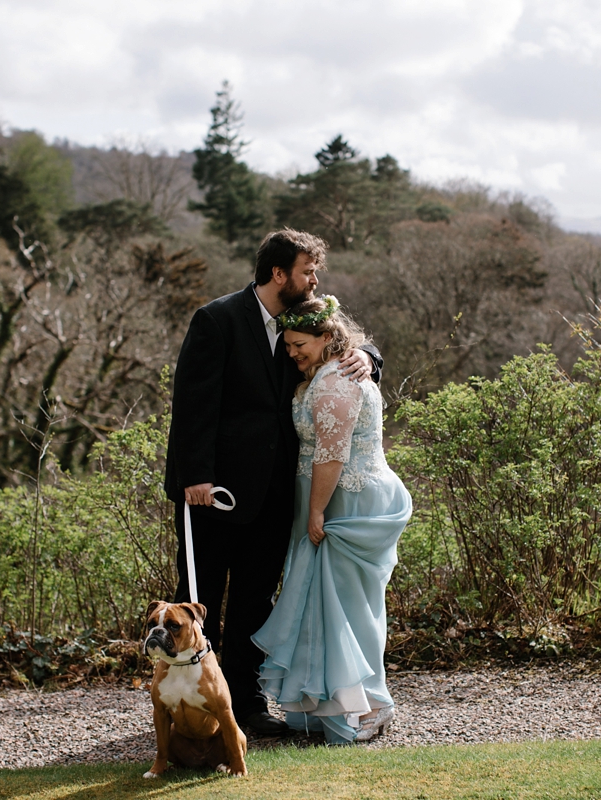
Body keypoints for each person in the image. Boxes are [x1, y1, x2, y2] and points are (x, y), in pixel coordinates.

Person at [163, 229, 382, 736]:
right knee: (198, 600)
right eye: (308, 271)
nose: (314, 281)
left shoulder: (301, 320)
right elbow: (193, 404)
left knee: (255, 601)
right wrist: (196, 476)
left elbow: (348, 338)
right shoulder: (216, 319)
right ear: (279, 273)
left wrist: (368, 357)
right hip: (213, 496)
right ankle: (187, 706)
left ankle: (244, 703)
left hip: (274, 496)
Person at [251, 296, 411, 744]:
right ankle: (329, 705)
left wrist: (317, 510)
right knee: (324, 603)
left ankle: (373, 705)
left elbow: (332, 454)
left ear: (327, 338)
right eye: (287, 345)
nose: (291, 352)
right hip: (330, 496)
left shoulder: (336, 380)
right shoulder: (324, 372)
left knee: (349, 607)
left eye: (298, 344)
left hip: (346, 499)